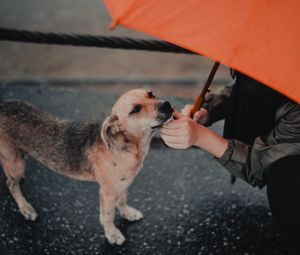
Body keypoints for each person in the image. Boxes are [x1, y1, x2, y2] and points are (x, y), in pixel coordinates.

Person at [159, 71, 300, 254]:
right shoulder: (268, 73)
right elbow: (247, 89)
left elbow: (262, 164)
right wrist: (209, 110)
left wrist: (201, 137)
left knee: (285, 177)